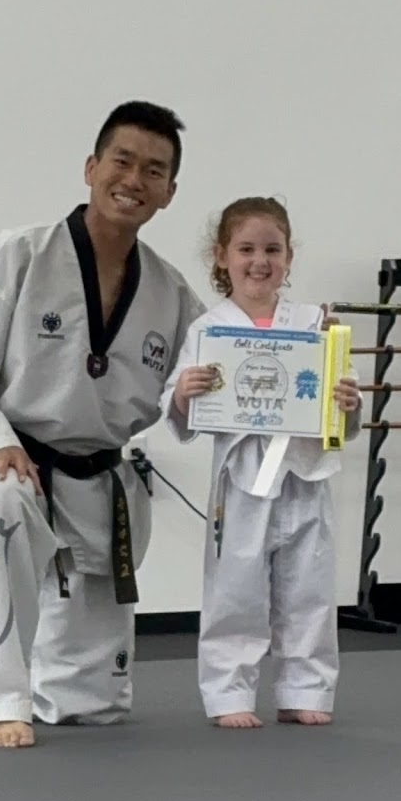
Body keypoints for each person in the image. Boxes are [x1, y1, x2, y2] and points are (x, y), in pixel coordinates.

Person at [0, 100, 205, 749]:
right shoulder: (20, 254)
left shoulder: (170, 293)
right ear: (91, 167)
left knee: (90, 707)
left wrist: (308, 364)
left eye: (154, 170)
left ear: (169, 191)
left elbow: (203, 389)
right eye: (122, 161)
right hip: (16, 461)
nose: (134, 179)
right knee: (2, 496)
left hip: (99, 481)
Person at [160, 197, 361, 729]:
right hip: (241, 479)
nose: (259, 261)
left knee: (310, 589)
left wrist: (347, 401)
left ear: (289, 257)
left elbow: (343, 402)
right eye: (246, 249)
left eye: (272, 249)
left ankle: (305, 689)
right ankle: (229, 693)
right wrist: (183, 392)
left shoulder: (315, 323)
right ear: (221, 256)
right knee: (235, 590)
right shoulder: (208, 329)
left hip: (305, 475)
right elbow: (178, 411)